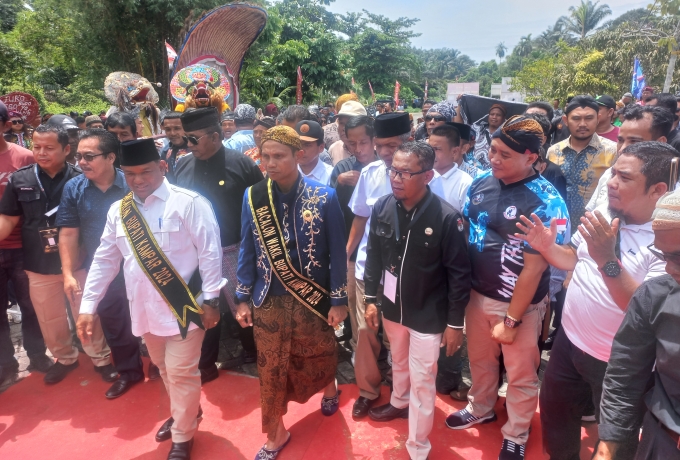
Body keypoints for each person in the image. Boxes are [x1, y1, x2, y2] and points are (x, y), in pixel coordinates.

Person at [516, 141, 672, 460]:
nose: (611, 182)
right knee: (556, 418)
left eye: (624, 178)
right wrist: (547, 247)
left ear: (658, 189)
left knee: (615, 440)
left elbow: (640, 310)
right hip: (568, 343)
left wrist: (606, 258)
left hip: (618, 363)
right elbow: (573, 258)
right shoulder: (602, 214)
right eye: (613, 173)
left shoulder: (667, 240)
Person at [79, 137, 224, 459]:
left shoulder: (188, 202)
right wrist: (88, 306)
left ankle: (183, 435)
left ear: (162, 167)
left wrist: (212, 299)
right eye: (130, 174)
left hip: (186, 306)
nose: (138, 180)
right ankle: (187, 411)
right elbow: (104, 260)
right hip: (144, 310)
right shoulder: (119, 211)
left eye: (145, 171)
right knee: (164, 368)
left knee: (181, 370)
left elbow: (211, 252)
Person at [445, 116, 569, 460]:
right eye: (493, 151)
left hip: (519, 304)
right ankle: (482, 407)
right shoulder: (482, 181)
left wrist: (512, 321)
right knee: (481, 363)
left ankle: (516, 431)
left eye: (504, 155)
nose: (493, 160)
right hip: (476, 294)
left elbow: (535, 268)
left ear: (531, 157)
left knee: (521, 374)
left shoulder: (546, 202)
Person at [234, 126, 348, 460]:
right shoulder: (253, 196)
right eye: (265, 156)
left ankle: (330, 386)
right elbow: (247, 248)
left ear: (298, 155)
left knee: (319, 352)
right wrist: (241, 296)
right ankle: (275, 433)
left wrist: (339, 301)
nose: (270, 162)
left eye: (278, 156)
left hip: (312, 296)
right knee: (270, 368)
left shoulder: (324, 196)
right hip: (267, 296)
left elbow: (338, 253)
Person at [364, 141, 471, 460]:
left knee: (424, 378)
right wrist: (370, 298)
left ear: (427, 176)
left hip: (428, 311)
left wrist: (455, 324)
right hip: (391, 306)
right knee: (397, 361)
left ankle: (418, 447)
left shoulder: (447, 218)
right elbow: (373, 257)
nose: (396, 178)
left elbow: (459, 276)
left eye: (404, 173)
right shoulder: (382, 206)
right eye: (392, 170)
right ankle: (398, 402)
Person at [0, 123, 115, 385]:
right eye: (36, 146)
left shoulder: (83, 178)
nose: (41, 153)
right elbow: (7, 219)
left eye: (49, 148)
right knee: (49, 317)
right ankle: (65, 358)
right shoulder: (21, 179)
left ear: (66, 149)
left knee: (87, 311)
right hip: (38, 262)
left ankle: (101, 358)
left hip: (79, 260)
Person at [174, 107, 264, 384]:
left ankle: (255, 353)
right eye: (185, 138)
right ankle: (206, 364)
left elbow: (259, 209)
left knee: (243, 306)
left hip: (236, 248)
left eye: (193, 139)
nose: (187, 145)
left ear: (214, 136)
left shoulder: (242, 164)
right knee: (204, 308)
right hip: (196, 253)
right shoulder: (184, 165)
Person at [56, 129, 145, 399]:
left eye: (89, 156)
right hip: (105, 269)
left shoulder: (134, 182)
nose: (81, 162)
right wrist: (68, 273)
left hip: (144, 266)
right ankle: (129, 372)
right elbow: (69, 232)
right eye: (78, 156)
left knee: (152, 318)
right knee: (115, 323)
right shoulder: (74, 188)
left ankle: (166, 370)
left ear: (110, 157)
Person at [594, 187, 680, 460]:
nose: (669, 268)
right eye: (663, 255)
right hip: (664, 442)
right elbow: (625, 376)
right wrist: (607, 449)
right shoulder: (654, 297)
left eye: (678, 256)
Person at [348, 113, 413, 418]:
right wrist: (347, 259)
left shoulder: (427, 177)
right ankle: (367, 391)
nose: (386, 152)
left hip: (407, 273)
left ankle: (402, 393)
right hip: (368, 271)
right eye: (381, 145)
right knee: (365, 331)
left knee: (399, 336)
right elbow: (360, 217)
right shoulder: (370, 173)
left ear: (408, 140)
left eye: (393, 145)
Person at [0, 102, 51, 384]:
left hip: (24, 247)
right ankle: (5, 364)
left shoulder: (26, 158)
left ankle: (37, 354)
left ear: (6, 124)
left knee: (31, 306)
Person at [330, 116, 377, 354]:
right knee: (353, 302)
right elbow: (330, 209)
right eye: (352, 144)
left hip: (382, 253)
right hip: (351, 251)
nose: (358, 149)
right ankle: (358, 347)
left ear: (374, 140)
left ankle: (386, 351)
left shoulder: (387, 168)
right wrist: (339, 183)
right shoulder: (343, 168)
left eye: (364, 142)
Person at [586, 105, 673, 212]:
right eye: (620, 140)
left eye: (634, 142)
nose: (622, 149)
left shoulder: (674, 194)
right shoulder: (610, 174)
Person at [547, 95, 617, 224]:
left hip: (595, 228)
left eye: (589, 118)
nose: (583, 124)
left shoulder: (612, 152)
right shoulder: (553, 151)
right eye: (576, 118)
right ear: (565, 120)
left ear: (598, 119)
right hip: (558, 224)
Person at [428, 124, 473, 213]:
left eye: (437, 149)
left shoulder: (465, 183)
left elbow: (466, 220)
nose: (431, 153)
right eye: (429, 148)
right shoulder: (423, 176)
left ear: (454, 151)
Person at [467, 103, 507, 171]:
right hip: (473, 170)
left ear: (503, 118)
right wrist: (460, 102)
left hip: (493, 173)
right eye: (492, 114)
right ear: (488, 116)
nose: (494, 117)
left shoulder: (506, 135)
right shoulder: (478, 129)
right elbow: (461, 126)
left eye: (498, 115)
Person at [328, 101, 367, 165]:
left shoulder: (376, 151)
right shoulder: (334, 149)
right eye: (341, 123)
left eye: (350, 123)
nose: (344, 128)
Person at [295, 120, 333, 185]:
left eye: (307, 145)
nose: (301, 150)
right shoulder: (288, 171)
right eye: (298, 144)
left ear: (321, 147)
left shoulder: (330, 174)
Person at [159, 112, 190, 184]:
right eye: (168, 129)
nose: (172, 133)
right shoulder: (166, 151)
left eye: (177, 128)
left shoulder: (196, 151)